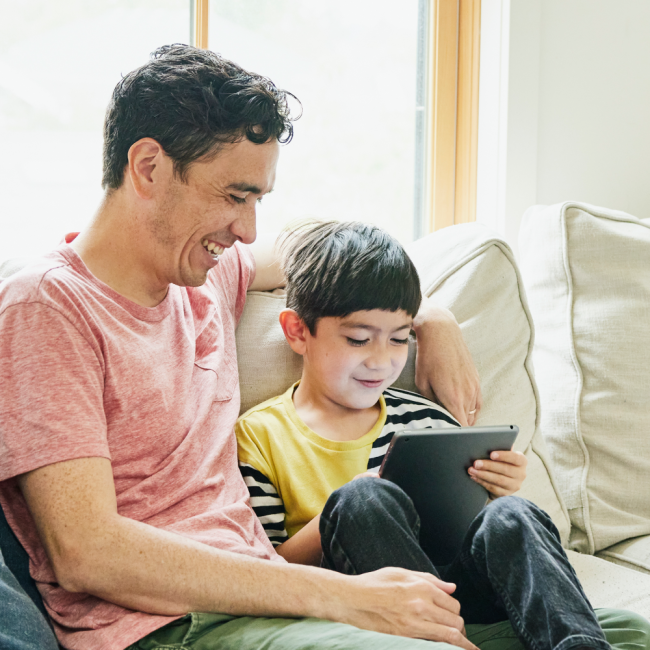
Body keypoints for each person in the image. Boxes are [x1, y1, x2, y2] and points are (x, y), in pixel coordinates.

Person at [0, 44, 488, 650]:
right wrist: (347, 597)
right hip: (166, 627)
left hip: (271, 610)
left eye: (258, 200)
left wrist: (430, 317)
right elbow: (85, 551)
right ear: (149, 167)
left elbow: (326, 253)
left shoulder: (207, 275)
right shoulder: (48, 306)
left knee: (624, 632)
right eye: (235, 196)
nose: (248, 229)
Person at [236, 220, 650, 650]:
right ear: (297, 331)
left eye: (398, 340)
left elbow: (480, 533)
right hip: (367, 606)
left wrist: (496, 488)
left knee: (515, 514)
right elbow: (269, 569)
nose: (381, 362)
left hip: (465, 600)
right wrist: (333, 514)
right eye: (359, 340)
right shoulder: (259, 435)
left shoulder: (422, 419)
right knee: (362, 499)